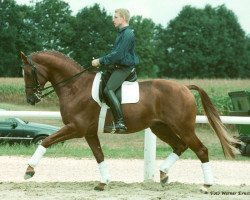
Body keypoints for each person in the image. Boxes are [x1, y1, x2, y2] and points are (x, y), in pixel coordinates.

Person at [92, 8, 139, 133]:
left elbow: (118, 55)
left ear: (123, 18)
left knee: (108, 90)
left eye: (116, 17)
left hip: (125, 69)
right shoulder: (121, 33)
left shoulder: (128, 34)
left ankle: (120, 123)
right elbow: (115, 54)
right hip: (117, 67)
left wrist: (100, 61)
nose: (113, 19)